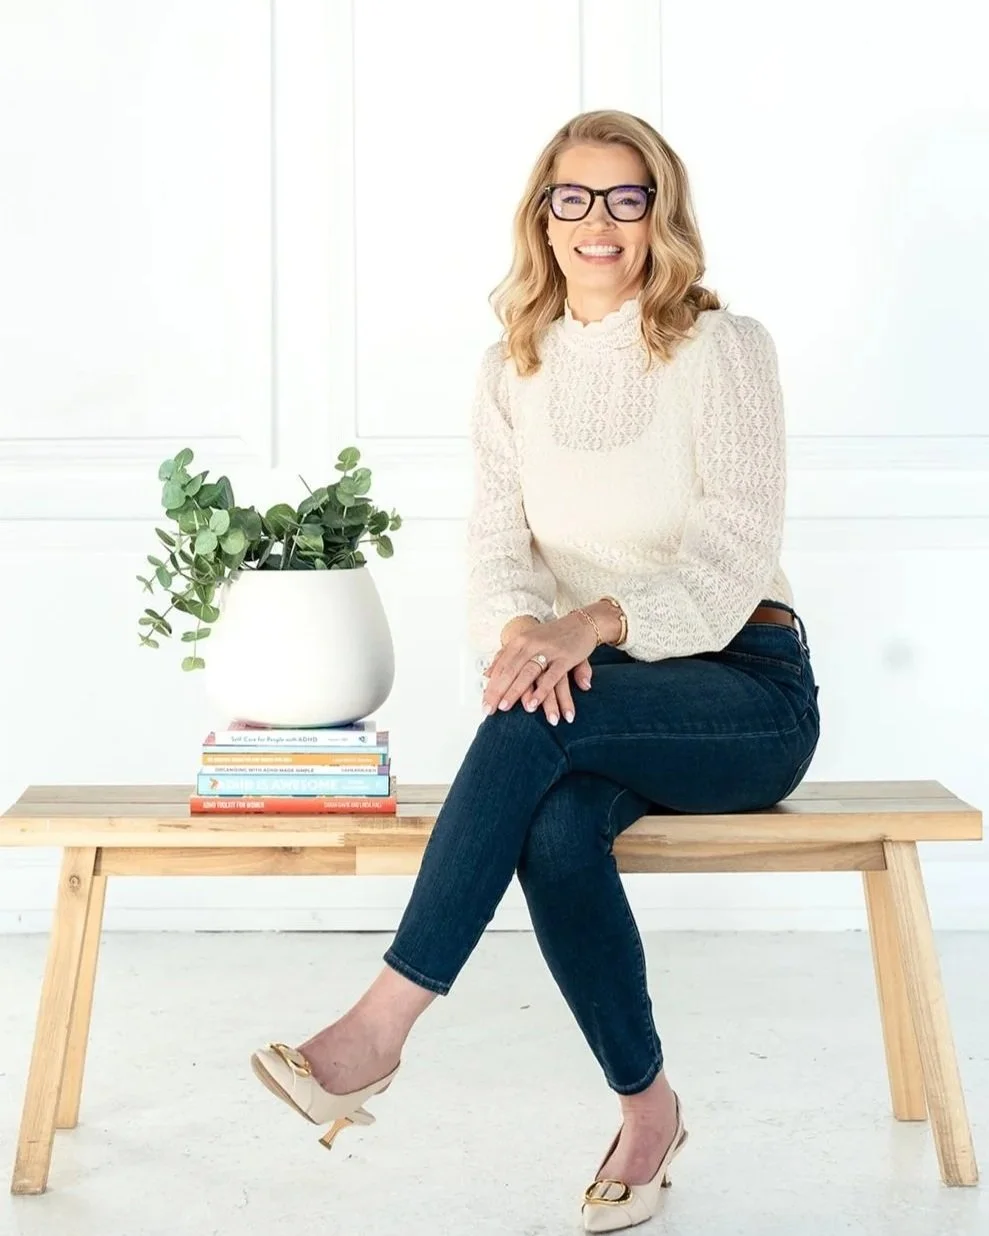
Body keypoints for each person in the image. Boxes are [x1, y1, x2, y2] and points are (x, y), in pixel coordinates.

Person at [251, 108, 822, 1231]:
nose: (598, 221)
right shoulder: (511, 367)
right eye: (574, 197)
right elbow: (496, 549)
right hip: (594, 695)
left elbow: (730, 552)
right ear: (543, 218)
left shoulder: (725, 349)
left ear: (659, 215)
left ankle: (377, 1031)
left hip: (743, 692)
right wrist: (526, 634)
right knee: (555, 832)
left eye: (626, 197)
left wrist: (585, 627)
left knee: (526, 725)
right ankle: (648, 1112)